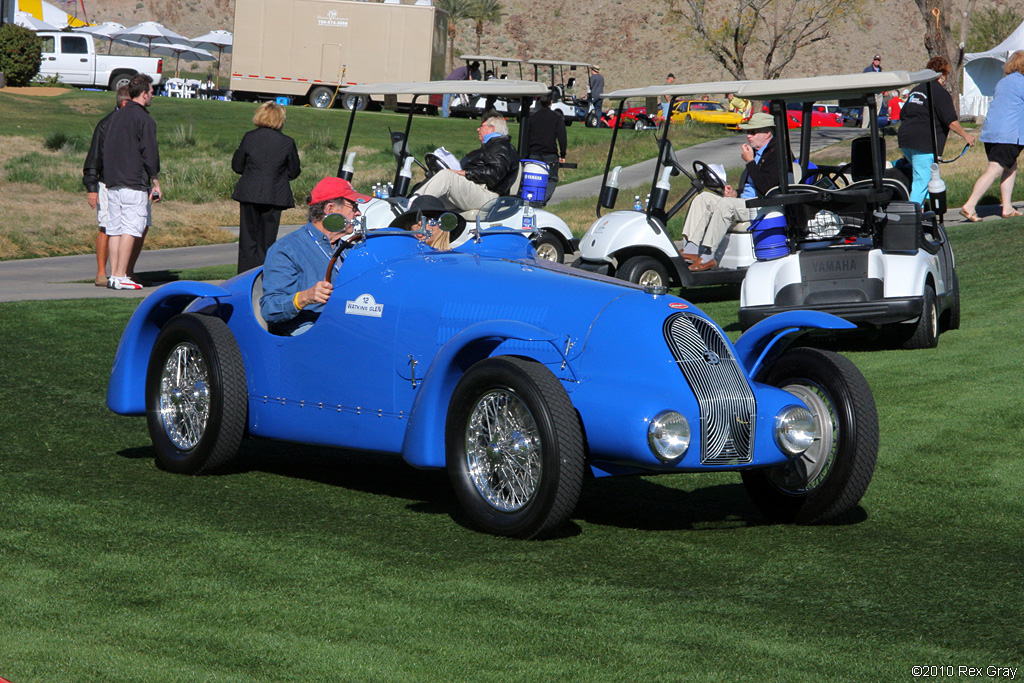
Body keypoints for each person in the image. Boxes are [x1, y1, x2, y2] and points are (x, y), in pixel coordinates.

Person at [260, 177, 371, 335]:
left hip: (348, 324)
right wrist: (306, 297)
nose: (358, 212)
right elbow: (269, 308)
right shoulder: (286, 249)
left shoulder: (348, 248)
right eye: (353, 206)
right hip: (309, 330)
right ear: (330, 209)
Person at [680, 112, 786, 271]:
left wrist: (750, 162)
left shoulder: (777, 154)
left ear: (767, 133)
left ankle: (708, 257)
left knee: (725, 205)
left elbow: (765, 187)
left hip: (762, 206)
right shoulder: (759, 152)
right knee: (703, 198)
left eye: (753, 132)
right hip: (746, 202)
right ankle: (691, 249)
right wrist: (735, 193)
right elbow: (752, 185)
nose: (748, 136)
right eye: (748, 132)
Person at [102, 73, 160, 291]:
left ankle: (115, 275)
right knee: (131, 228)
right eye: (152, 92)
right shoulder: (144, 119)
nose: (153, 95)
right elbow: (150, 153)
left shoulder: (116, 116)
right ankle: (121, 275)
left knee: (115, 229)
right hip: (133, 181)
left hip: (114, 180)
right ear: (144, 94)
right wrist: (155, 180)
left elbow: (106, 147)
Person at [231, 102, 302, 273]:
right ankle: (261, 278)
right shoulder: (287, 142)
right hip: (274, 195)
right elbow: (294, 171)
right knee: (267, 243)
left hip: (249, 193)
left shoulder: (249, 137)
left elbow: (237, 166)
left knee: (247, 242)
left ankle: (243, 280)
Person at [897, 56, 976, 206]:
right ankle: (910, 217)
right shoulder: (939, 92)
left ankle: (928, 211)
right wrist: (967, 136)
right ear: (943, 75)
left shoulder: (916, 90)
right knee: (923, 180)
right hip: (923, 142)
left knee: (930, 177)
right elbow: (950, 121)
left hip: (905, 139)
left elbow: (903, 115)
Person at [958, 50, 1024, 222]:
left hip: (991, 133)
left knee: (1010, 167)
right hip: (1008, 134)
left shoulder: (1002, 82)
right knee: (995, 169)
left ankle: (1007, 207)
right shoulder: (1021, 83)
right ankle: (970, 205)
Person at [412, 112, 519, 211]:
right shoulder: (493, 146)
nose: (478, 129)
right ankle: (414, 207)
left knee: (447, 176)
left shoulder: (501, 147)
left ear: (492, 128)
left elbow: (494, 174)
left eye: (482, 126)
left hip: (488, 196)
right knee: (436, 198)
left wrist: (464, 173)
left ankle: (415, 204)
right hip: (478, 191)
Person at [82, 85, 130, 287]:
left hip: (128, 183)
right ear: (125, 103)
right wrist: (91, 188)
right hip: (105, 183)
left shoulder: (134, 123)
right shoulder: (106, 124)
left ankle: (123, 272)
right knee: (106, 227)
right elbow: (93, 158)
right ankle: (101, 272)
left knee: (126, 228)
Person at [523, 88, 567, 203]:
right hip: (550, 154)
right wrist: (562, 154)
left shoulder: (533, 117)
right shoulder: (556, 117)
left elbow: (527, 136)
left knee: (534, 178)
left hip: (534, 153)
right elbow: (562, 137)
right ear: (551, 101)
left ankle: (532, 199)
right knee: (552, 179)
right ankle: (541, 201)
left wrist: (526, 153)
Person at [390, 195, 464, 251]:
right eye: (414, 218)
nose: (420, 223)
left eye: (428, 218)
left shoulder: (452, 262)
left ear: (443, 226)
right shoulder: (400, 258)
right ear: (408, 227)